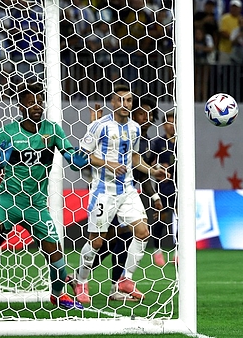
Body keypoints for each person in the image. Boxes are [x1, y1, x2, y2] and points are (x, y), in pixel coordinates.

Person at [0, 82, 88, 309]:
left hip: (36, 205)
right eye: (31, 102)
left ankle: (58, 294)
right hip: (7, 200)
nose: (37, 106)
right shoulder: (8, 132)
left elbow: (74, 163)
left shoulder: (52, 130)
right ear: (20, 106)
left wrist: (84, 152)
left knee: (56, 256)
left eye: (40, 101)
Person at [72, 84, 168, 304]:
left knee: (142, 231)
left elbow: (134, 158)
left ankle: (126, 279)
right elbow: (81, 157)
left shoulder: (134, 128)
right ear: (113, 102)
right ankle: (81, 281)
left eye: (129, 101)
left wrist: (152, 170)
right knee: (97, 242)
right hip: (103, 191)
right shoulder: (99, 126)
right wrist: (109, 164)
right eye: (120, 100)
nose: (125, 105)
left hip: (127, 189)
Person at [149, 111, 177, 265]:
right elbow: (149, 162)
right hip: (163, 186)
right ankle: (157, 250)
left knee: (180, 219)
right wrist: (158, 167)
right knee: (161, 219)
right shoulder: (158, 143)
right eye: (168, 122)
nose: (171, 125)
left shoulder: (182, 142)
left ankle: (178, 252)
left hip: (179, 186)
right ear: (163, 125)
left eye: (173, 122)